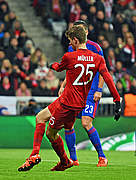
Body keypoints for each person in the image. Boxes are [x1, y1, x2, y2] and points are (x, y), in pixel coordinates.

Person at [18, 25, 121, 172]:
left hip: (67, 103)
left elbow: (59, 67)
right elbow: (108, 79)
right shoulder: (98, 59)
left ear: (76, 40)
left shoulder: (70, 56)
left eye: (70, 41)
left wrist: (50, 65)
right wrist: (117, 100)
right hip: (78, 102)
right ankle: (37, 155)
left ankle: (65, 161)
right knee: (40, 117)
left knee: (50, 133)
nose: (70, 44)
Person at [61, 20, 108, 167]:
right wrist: (63, 85)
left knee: (86, 123)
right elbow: (70, 70)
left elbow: (103, 71)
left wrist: (99, 89)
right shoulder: (71, 48)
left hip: (90, 91)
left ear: (86, 32)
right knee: (68, 124)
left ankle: (102, 157)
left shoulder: (95, 47)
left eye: (80, 30)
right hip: (74, 91)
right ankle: (73, 159)